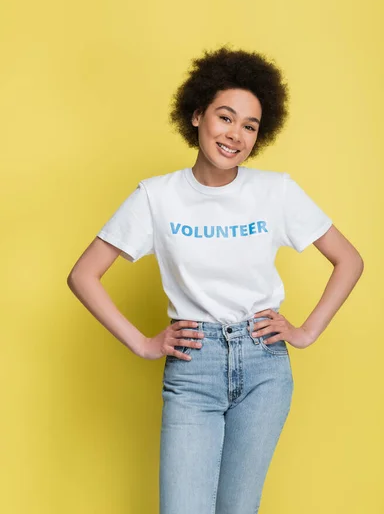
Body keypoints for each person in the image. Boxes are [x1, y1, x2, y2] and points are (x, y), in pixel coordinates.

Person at [67, 46, 364, 514]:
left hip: (264, 366)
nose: (236, 135)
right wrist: (143, 343)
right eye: (225, 118)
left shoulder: (275, 191)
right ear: (197, 114)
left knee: (237, 508)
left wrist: (305, 332)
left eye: (250, 126)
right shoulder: (157, 196)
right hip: (193, 366)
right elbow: (83, 275)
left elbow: (349, 260)